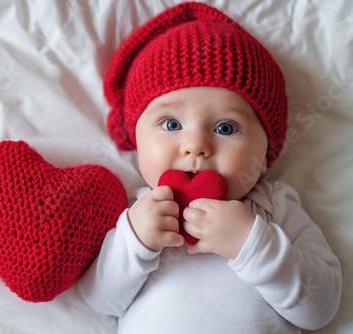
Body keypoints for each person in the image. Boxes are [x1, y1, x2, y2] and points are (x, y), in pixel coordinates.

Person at [77, 2, 342, 333]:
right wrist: (136, 243)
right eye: (171, 124)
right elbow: (101, 301)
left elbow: (322, 308)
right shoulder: (140, 212)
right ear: (136, 139)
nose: (196, 146)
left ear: (264, 155)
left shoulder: (271, 207)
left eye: (226, 128)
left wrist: (253, 245)